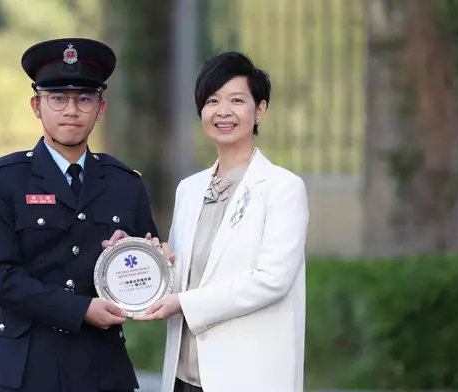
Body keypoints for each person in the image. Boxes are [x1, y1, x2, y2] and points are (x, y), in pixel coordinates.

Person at [106, 51, 309, 391]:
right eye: (212, 100)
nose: (223, 111)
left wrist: (183, 303)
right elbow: (182, 273)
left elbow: (272, 280)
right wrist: (140, 258)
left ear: (259, 110)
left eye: (237, 100)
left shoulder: (282, 188)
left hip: (247, 375)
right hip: (184, 376)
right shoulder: (190, 189)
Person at [0, 37, 159, 392]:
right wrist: (80, 309)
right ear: (36, 106)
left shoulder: (126, 184)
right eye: (58, 98)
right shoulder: (2, 180)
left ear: (100, 108)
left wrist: (137, 258)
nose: (71, 110)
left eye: (84, 99)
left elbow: (147, 271)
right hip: (22, 368)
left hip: (101, 368)